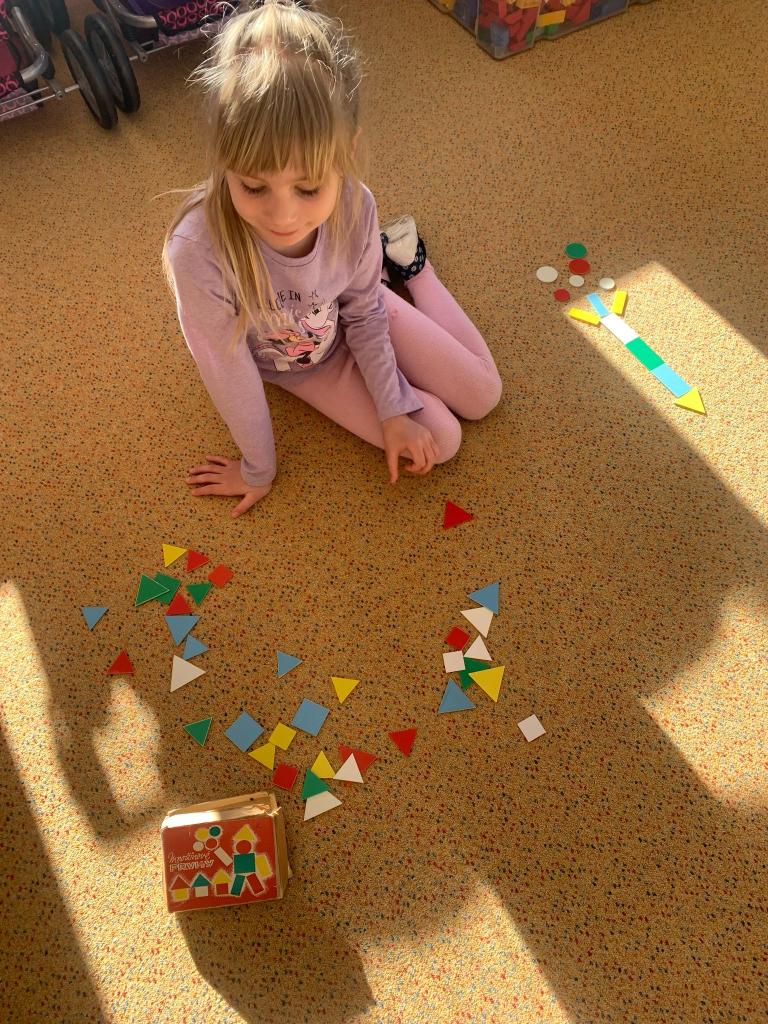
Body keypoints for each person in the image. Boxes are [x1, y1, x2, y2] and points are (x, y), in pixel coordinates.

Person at [162, 0, 502, 518]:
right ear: (223, 159)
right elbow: (228, 370)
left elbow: (363, 311)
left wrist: (393, 406)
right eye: (252, 185)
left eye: (308, 188)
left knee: (485, 394)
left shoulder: (355, 205)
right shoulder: (198, 251)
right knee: (444, 438)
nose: (283, 216)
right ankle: (392, 268)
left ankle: (414, 269)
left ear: (346, 153)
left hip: (354, 314)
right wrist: (258, 469)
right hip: (303, 365)